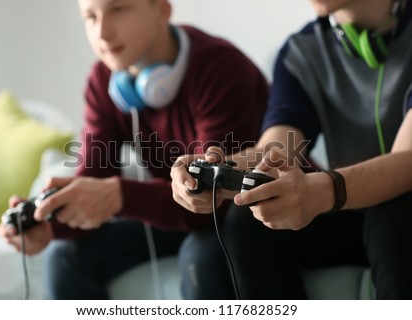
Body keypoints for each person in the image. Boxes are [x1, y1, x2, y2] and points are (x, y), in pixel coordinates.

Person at [0, 0, 269, 299]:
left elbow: (211, 201)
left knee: (201, 254)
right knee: (66, 256)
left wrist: (118, 196)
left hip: (240, 217)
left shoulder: (221, 67)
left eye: (119, 9)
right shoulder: (104, 81)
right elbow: (92, 180)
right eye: (90, 16)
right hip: (177, 212)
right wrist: (50, 223)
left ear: (162, 11)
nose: (102, 32)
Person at [171, 0, 412, 299]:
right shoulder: (301, 49)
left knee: (393, 215)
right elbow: (277, 147)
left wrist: (323, 190)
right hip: (351, 215)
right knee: (250, 220)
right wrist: (217, 171)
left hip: (397, 216)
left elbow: (408, 162)